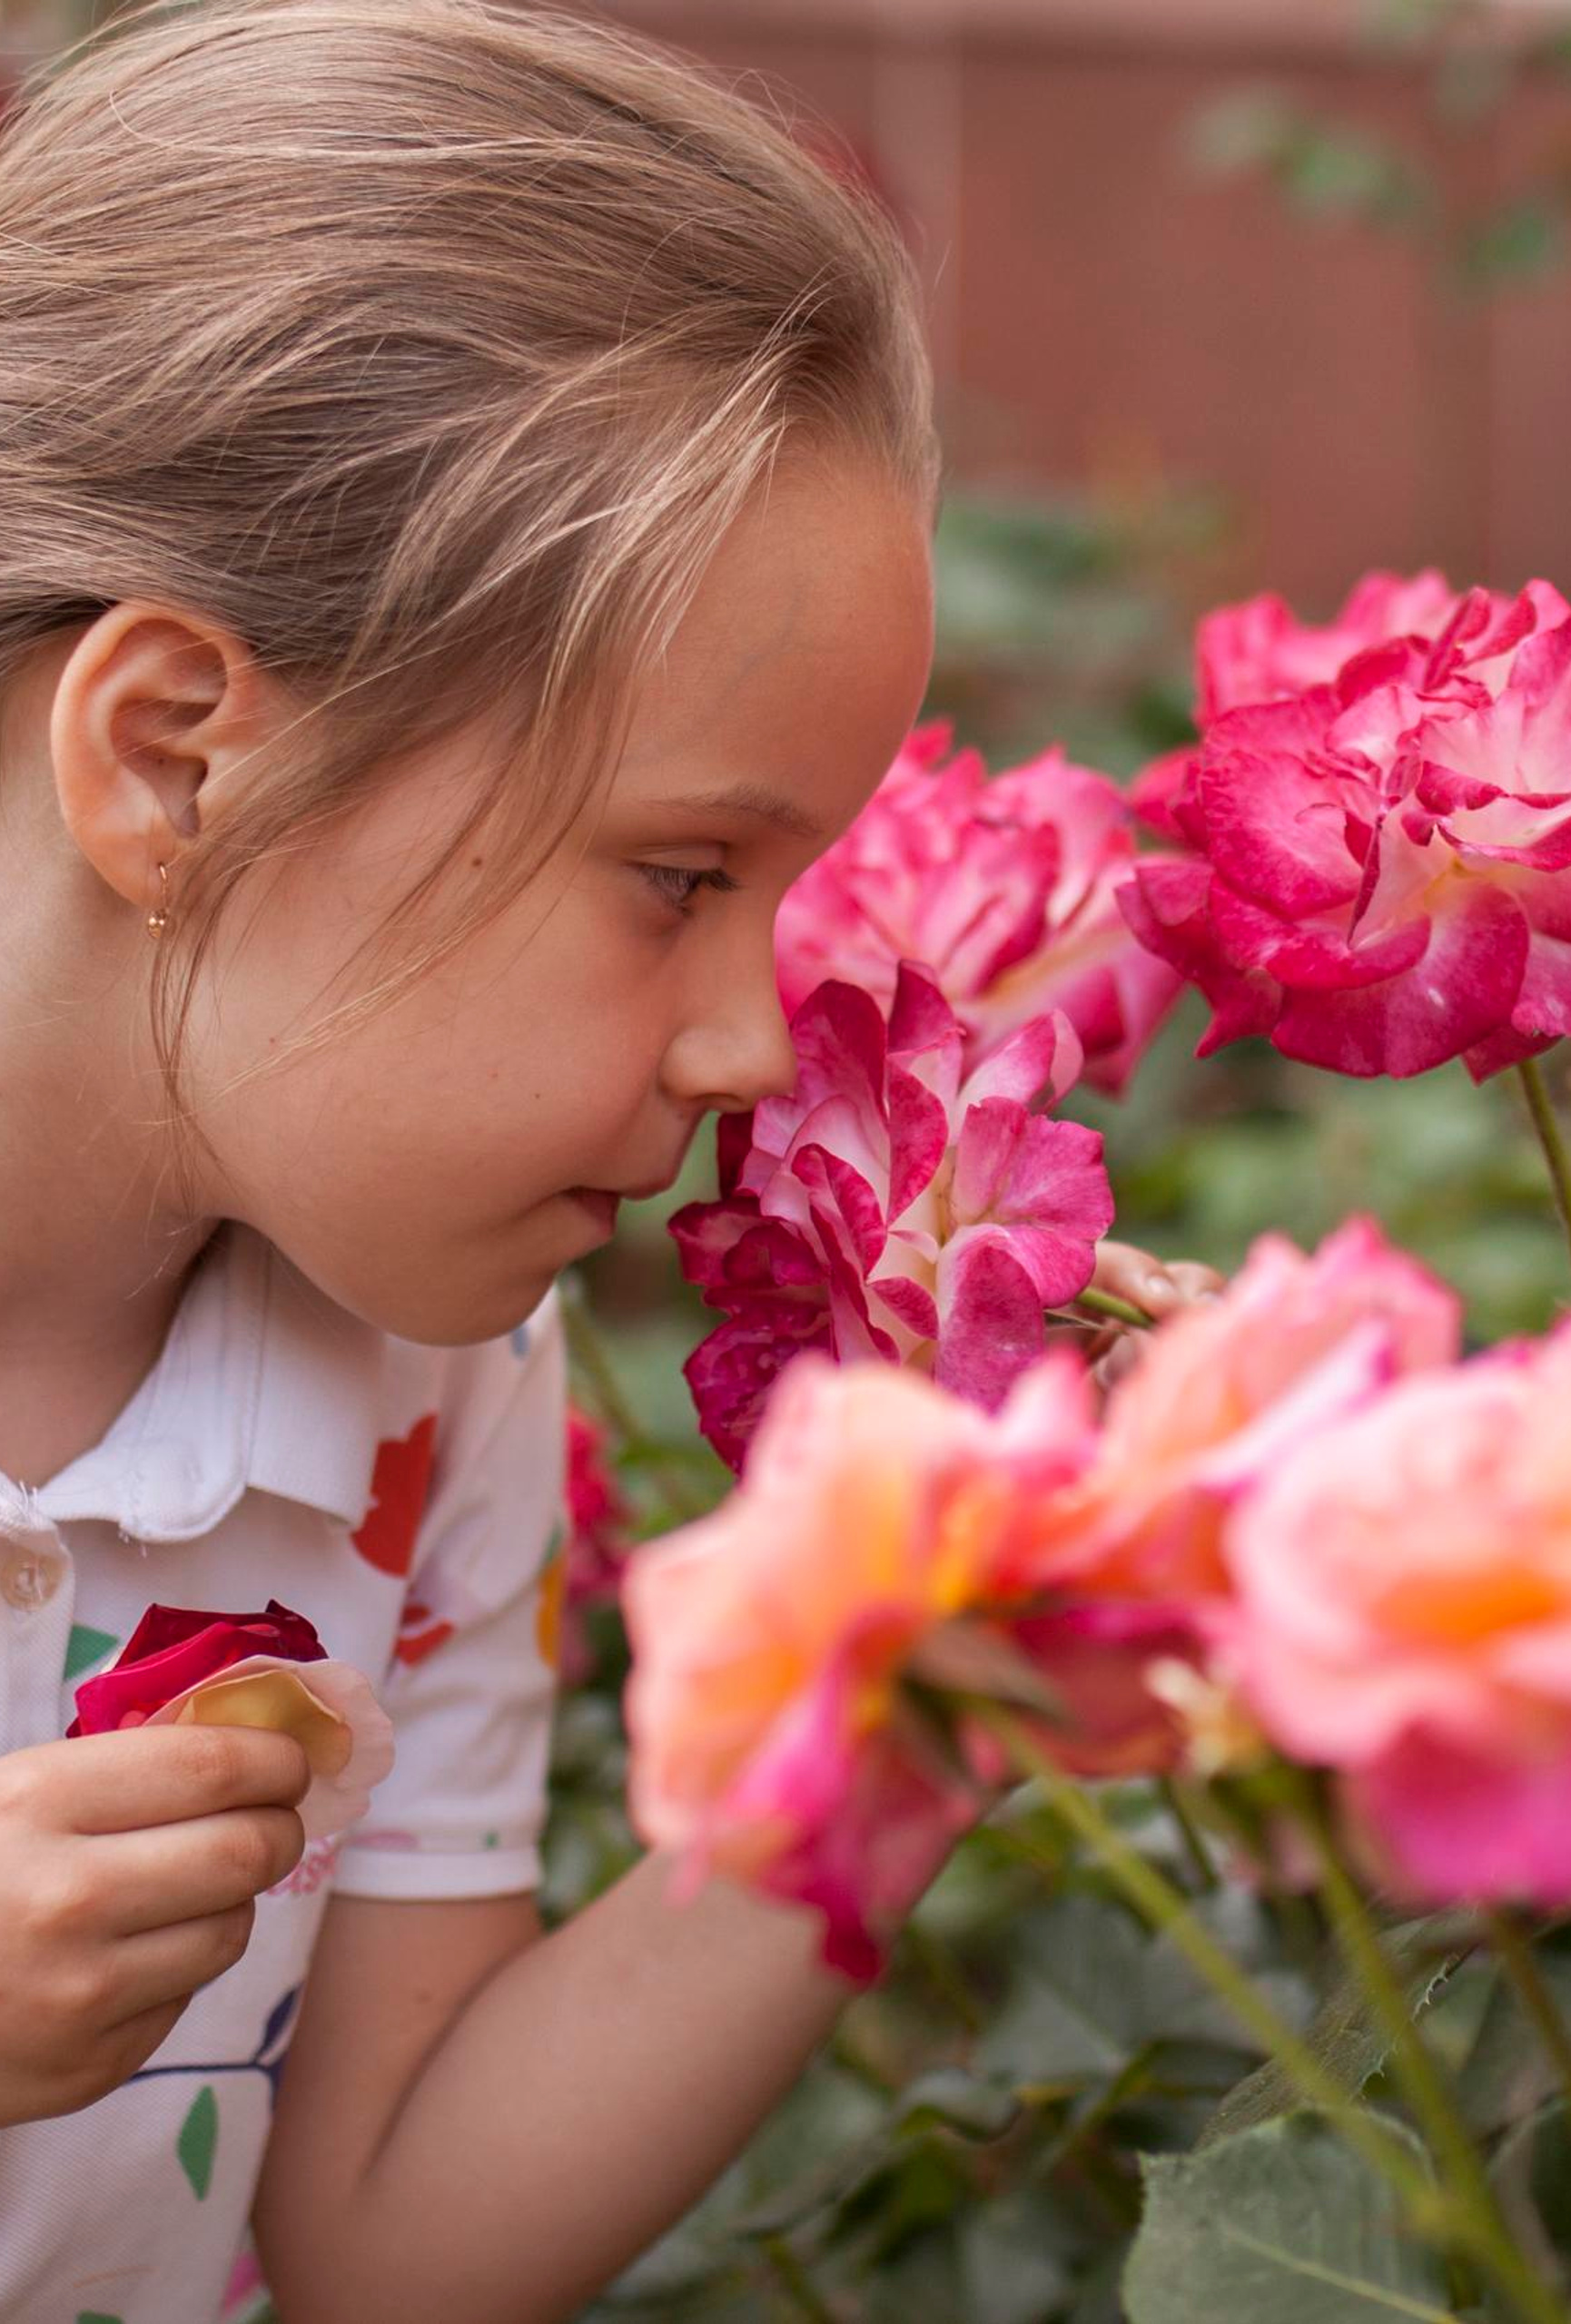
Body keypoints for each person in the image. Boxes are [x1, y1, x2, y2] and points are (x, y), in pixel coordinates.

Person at [0, 4, 1212, 2317]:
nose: (755, 1032)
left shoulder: (421, 1385)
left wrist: (913, 1699)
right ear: (176, 762)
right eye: (679, 873)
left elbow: (386, 2230)